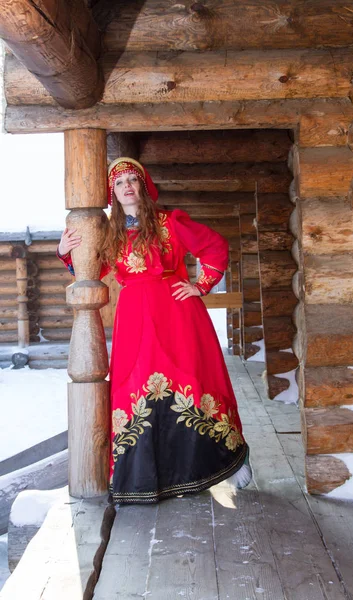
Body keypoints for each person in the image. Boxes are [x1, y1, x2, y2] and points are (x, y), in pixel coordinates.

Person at [57, 157, 251, 504]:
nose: (127, 186)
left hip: (176, 313)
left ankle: (212, 468)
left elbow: (214, 247)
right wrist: (66, 253)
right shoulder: (110, 232)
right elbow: (93, 270)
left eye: (133, 179)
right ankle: (146, 479)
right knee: (134, 385)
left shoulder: (169, 222)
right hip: (133, 318)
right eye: (119, 182)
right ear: (112, 193)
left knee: (191, 379)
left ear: (144, 186)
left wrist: (200, 285)